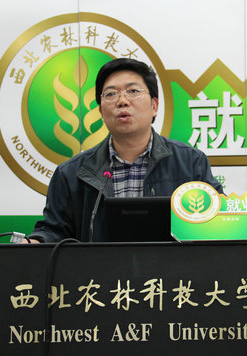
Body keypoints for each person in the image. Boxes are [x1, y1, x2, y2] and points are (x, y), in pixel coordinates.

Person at [28, 58, 222, 243]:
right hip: (100, 268)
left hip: (170, 267)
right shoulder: (71, 174)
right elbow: (54, 232)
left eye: (133, 91)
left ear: (154, 106)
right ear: (101, 112)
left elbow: (217, 222)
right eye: (111, 94)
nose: (122, 101)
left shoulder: (190, 163)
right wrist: (35, 242)